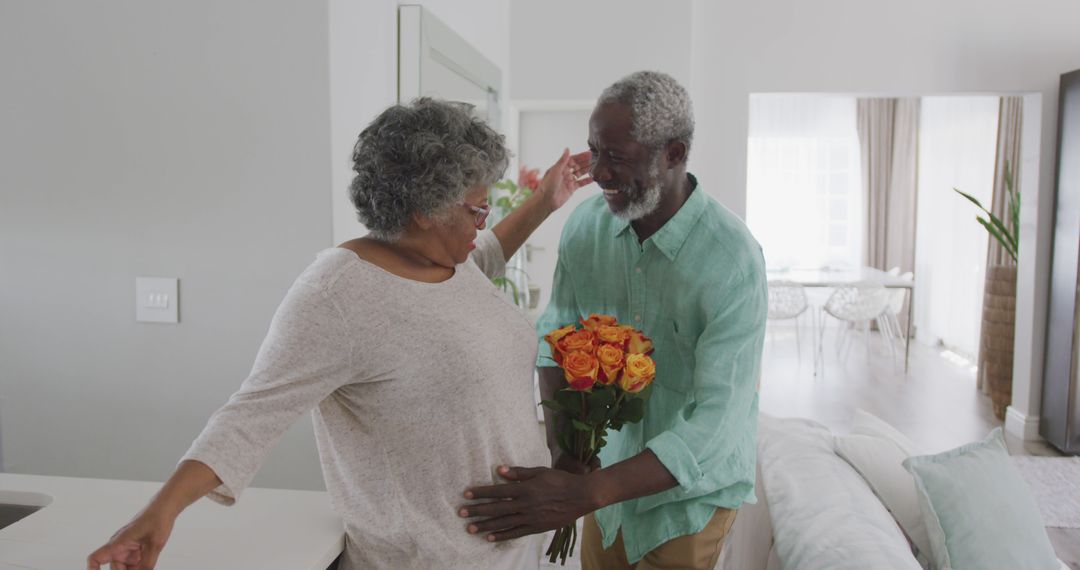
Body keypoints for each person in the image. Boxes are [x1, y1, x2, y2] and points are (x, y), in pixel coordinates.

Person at [87, 97, 593, 570]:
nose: (483, 224)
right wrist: (160, 513)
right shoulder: (337, 297)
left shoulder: (450, 262)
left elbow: (481, 262)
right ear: (424, 209)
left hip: (513, 554)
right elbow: (249, 416)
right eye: (476, 210)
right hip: (432, 560)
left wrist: (546, 201)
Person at [459, 71, 767, 570]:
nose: (598, 172)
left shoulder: (733, 263)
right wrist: (565, 457)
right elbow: (553, 342)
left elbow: (718, 422)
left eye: (616, 156)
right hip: (604, 491)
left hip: (687, 499)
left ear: (674, 153)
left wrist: (585, 493)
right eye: (593, 151)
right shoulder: (586, 227)